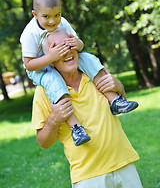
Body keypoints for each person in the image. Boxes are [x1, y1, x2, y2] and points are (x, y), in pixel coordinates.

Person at [20, 0, 138, 146]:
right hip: (40, 68)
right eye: (46, 16)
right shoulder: (29, 34)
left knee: (89, 58)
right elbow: (28, 64)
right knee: (54, 82)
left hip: (59, 57)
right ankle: (76, 127)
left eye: (57, 15)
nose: (52, 21)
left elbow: (80, 44)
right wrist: (50, 58)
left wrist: (78, 44)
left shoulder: (62, 23)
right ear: (35, 15)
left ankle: (115, 100)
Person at [32, 30, 143, 188]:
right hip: (88, 177)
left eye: (69, 44)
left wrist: (120, 87)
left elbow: (119, 105)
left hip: (124, 163)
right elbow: (43, 142)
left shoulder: (95, 73)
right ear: (50, 60)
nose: (67, 51)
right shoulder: (44, 92)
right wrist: (53, 119)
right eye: (59, 48)